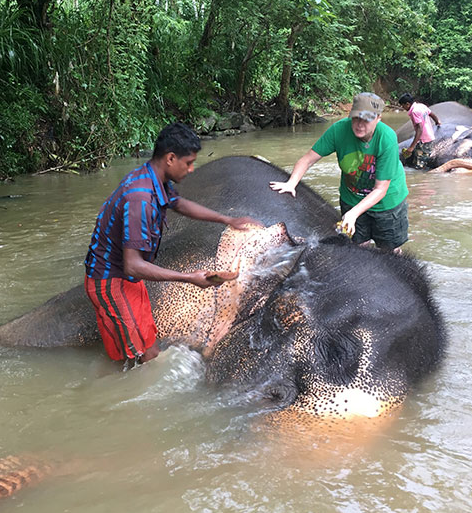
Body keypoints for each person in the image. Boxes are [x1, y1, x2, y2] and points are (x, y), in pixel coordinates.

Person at [84, 122, 261, 367]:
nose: (191, 169)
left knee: (141, 345)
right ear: (170, 158)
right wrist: (189, 278)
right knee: (145, 357)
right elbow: (133, 265)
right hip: (113, 281)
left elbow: (179, 204)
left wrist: (226, 219)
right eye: (188, 163)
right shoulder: (141, 198)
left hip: (127, 280)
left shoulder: (153, 179)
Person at [269, 92, 408, 253]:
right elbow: (306, 160)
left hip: (387, 202)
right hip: (352, 197)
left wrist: (353, 214)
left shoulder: (386, 138)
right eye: (356, 118)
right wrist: (291, 183)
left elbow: (381, 189)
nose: (360, 125)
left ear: (378, 118)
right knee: (357, 248)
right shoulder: (339, 130)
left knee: (389, 252)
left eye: (367, 120)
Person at [398, 93, 442, 169]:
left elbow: (420, 129)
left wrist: (411, 147)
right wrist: (437, 121)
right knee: (418, 157)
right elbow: (431, 114)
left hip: (424, 140)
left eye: (403, 105)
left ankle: (422, 178)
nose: (403, 108)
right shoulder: (421, 106)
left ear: (407, 104)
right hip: (429, 136)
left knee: (420, 166)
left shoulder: (414, 112)